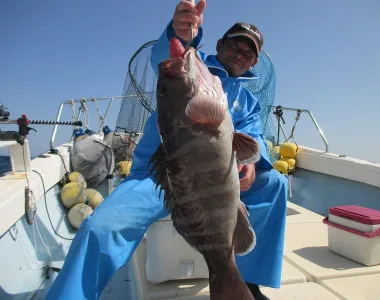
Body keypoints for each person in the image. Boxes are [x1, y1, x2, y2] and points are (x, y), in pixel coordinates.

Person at [46, 1, 287, 299]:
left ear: (253, 63)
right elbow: (167, 56)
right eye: (234, 45)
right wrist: (181, 31)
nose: (239, 53)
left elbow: (253, 136)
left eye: (248, 52)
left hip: (221, 180)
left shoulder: (248, 102)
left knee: (274, 183)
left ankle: (245, 279)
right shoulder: (191, 68)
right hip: (159, 175)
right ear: (220, 44)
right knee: (100, 227)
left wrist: (253, 162)